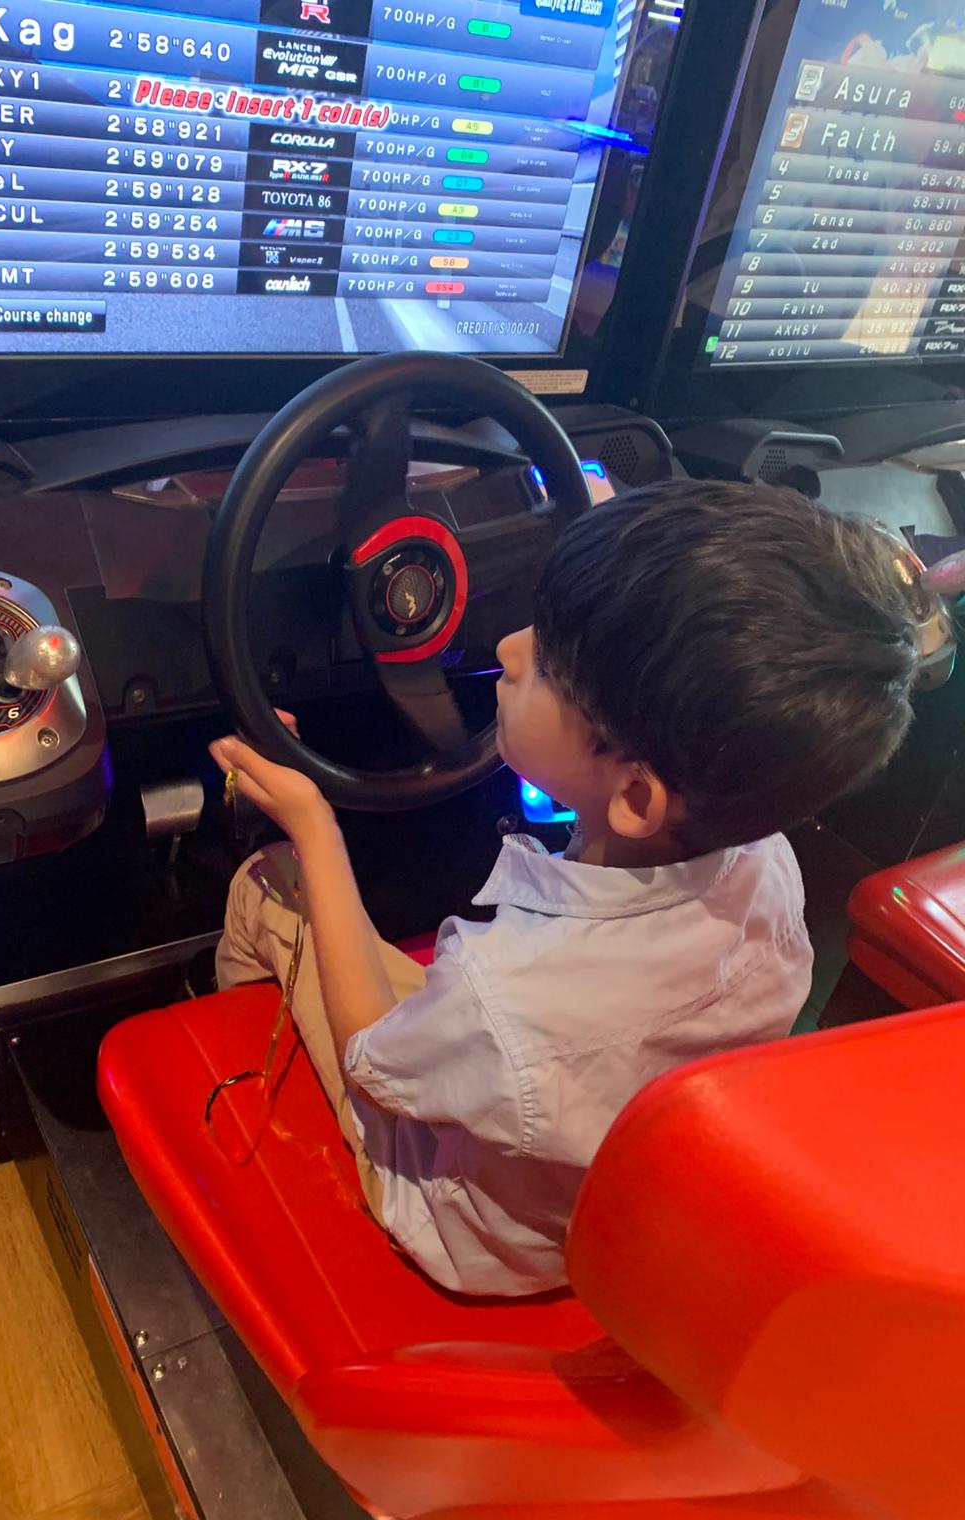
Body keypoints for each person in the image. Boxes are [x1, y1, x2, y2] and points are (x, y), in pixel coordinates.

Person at [210, 480, 921, 1297]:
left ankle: (235, 1080)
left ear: (638, 797)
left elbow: (373, 1059)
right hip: (594, 1213)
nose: (508, 648)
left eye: (547, 666)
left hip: (466, 1230)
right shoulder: (769, 866)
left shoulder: (504, 997)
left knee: (268, 883)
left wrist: (313, 827)